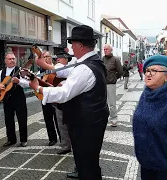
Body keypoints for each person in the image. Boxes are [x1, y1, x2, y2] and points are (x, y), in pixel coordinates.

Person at [29, 25, 109, 180]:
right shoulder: (94, 61)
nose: (71, 47)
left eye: (72, 43)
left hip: (86, 123)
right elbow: (69, 71)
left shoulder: (85, 68)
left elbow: (64, 94)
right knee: (90, 162)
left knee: (86, 165)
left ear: (80, 45)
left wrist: (38, 88)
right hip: (94, 119)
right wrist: (46, 66)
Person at [0, 52, 29, 147]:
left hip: (19, 98)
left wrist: (19, 81)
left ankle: (23, 140)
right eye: (10, 59)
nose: (12, 60)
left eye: (13, 58)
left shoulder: (21, 70)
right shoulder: (1, 72)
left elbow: (28, 83)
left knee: (22, 119)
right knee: (8, 120)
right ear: (5, 61)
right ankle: (11, 139)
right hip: (7, 99)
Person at [51, 50, 73, 155]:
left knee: (71, 124)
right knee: (61, 124)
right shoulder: (56, 69)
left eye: (60, 57)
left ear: (66, 58)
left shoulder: (71, 69)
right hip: (59, 101)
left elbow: (59, 71)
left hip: (70, 101)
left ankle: (72, 144)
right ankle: (65, 146)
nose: (57, 59)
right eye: (57, 58)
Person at [38, 51, 61, 146]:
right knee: (48, 118)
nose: (46, 58)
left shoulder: (56, 69)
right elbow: (37, 82)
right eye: (44, 57)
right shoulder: (40, 71)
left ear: (51, 57)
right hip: (46, 98)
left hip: (56, 97)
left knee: (58, 119)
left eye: (47, 56)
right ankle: (52, 138)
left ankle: (62, 138)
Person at [102, 44, 123, 127]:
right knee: (103, 103)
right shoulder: (102, 59)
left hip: (111, 84)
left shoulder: (115, 59)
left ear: (111, 50)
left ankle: (114, 119)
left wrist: (114, 78)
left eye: (107, 49)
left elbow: (120, 72)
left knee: (112, 104)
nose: (105, 50)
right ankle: (104, 118)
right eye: (104, 49)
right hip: (103, 84)